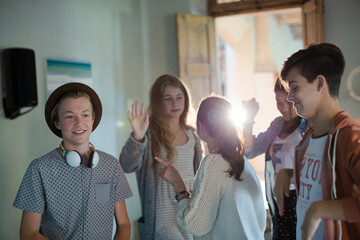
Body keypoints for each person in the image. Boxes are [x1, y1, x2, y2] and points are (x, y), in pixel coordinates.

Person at [13, 82, 133, 240]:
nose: (79, 122)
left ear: (92, 120)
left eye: (85, 115)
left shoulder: (111, 166)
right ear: (57, 123)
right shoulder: (39, 169)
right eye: (69, 116)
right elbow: (28, 234)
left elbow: (124, 225)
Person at [274, 42, 360, 240]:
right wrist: (288, 173)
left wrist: (320, 210)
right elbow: (321, 182)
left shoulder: (350, 135)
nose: (289, 97)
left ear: (320, 83)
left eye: (294, 88)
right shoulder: (307, 139)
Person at [155, 96, 266, 239]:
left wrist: (179, 186)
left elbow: (195, 225)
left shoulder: (214, 163)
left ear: (200, 126)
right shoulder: (243, 162)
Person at [119, 74, 203, 239]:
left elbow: (200, 177)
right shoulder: (148, 135)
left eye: (179, 97)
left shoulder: (193, 135)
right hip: (161, 223)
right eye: (168, 98)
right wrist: (137, 137)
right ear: (158, 102)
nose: (175, 103)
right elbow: (126, 165)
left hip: (189, 216)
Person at [242, 78, 308, 239]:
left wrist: (289, 173)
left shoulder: (307, 126)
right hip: (276, 198)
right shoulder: (277, 125)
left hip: (298, 198)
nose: (284, 108)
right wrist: (248, 120)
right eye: (278, 102)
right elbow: (250, 151)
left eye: (288, 102)